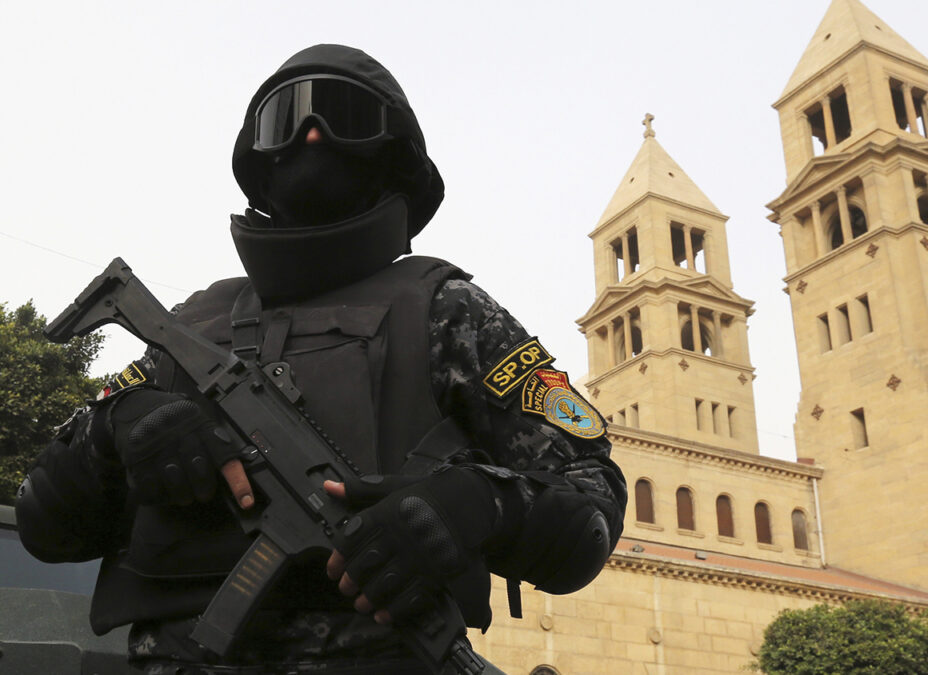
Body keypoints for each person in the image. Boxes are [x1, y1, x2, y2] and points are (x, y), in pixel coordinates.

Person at [15, 44, 626, 674]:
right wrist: (116, 428)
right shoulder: (190, 328)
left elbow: (592, 496)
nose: (312, 133)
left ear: (392, 157)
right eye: (287, 119)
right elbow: (42, 524)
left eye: (343, 115)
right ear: (260, 157)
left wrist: (478, 505)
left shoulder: (449, 313)